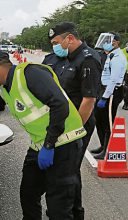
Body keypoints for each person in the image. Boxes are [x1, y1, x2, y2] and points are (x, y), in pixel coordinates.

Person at [0, 49, 86, 220]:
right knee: (29, 193)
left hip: (64, 145)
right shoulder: (5, 88)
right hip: (40, 145)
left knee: (58, 205)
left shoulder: (29, 74)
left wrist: (49, 145)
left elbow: (60, 104)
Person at [42, 22, 102, 220]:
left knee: (68, 171)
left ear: (69, 38)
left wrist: (73, 130)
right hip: (61, 124)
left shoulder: (88, 59)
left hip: (77, 125)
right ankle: (74, 212)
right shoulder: (62, 58)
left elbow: (89, 99)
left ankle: (67, 213)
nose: (54, 46)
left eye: (56, 42)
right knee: (69, 171)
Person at [91, 32, 127, 159]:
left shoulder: (118, 58)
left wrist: (105, 97)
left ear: (116, 42)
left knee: (107, 122)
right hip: (104, 90)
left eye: (108, 41)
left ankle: (107, 150)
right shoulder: (110, 55)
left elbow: (113, 80)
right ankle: (103, 145)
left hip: (111, 92)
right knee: (99, 120)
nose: (105, 44)